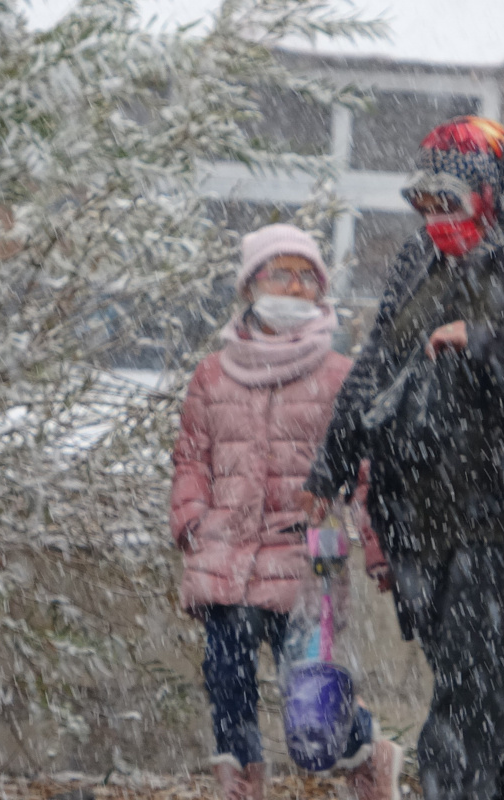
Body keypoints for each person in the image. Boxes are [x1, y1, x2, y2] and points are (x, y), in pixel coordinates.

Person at [303, 117, 504, 800]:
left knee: (467, 702)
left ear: (491, 192)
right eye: (425, 204)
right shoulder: (420, 259)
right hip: (425, 517)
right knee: (487, 686)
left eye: (450, 202)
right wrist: (331, 464)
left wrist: (483, 343)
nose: (436, 218)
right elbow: (379, 364)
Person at [169, 223, 403, 800]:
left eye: (308, 277)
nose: (297, 288)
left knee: (312, 710)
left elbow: (369, 474)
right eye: (282, 273)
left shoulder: (339, 376)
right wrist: (194, 522)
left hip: (306, 561)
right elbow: (191, 459)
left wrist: (378, 549)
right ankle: (241, 780)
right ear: (251, 284)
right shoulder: (213, 374)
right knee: (227, 679)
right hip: (227, 555)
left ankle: (365, 752)